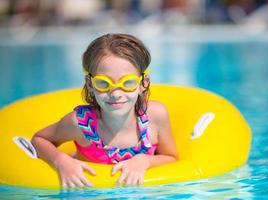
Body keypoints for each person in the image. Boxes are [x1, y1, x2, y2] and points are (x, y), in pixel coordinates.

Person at [31, 33, 178, 188]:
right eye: (103, 83)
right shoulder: (80, 124)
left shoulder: (155, 116)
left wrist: (144, 160)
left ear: (143, 84)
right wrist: (61, 160)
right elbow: (39, 139)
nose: (115, 94)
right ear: (89, 84)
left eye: (127, 83)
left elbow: (171, 157)